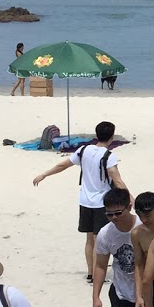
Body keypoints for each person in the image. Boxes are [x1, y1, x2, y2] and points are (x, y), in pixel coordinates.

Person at [33, 120, 128, 282]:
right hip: (100, 202)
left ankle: (90, 273)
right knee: (100, 239)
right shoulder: (109, 156)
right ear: (111, 137)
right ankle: (98, 274)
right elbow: (117, 181)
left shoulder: (84, 150)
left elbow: (63, 165)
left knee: (89, 238)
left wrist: (44, 174)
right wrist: (129, 197)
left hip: (84, 201)